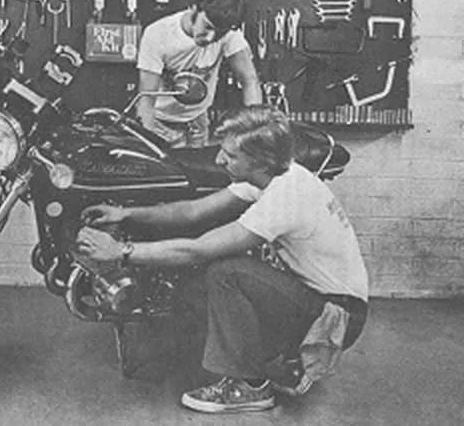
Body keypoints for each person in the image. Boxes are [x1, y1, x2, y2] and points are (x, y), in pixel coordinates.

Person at [75, 105, 368, 414]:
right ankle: (275, 362)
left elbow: (198, 249)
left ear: (260, 161)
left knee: (226, 272)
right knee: (203, 279)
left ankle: (251, 387)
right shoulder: (272, 174)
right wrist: (127, 213)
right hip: (316, 298)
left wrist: (122, 251)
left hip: (336, 315)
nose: (218, 160)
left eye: (230, 156)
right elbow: (193, 211)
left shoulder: (286, 195)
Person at [135, 0, 262, 148]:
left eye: (219, 33)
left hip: (198, 122)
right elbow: (146, 100)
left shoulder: (229, 34)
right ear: (194, 8)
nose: (210, 38)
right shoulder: (158, 34)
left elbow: (250, 80)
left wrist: (254, 131)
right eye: (207, 27)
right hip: (160, 123)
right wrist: (149, 142)